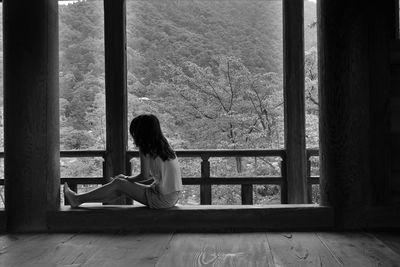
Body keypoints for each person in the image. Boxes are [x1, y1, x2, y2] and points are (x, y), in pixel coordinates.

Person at [64, 114, 183, 209]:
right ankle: (80, 200)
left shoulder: (145, 148)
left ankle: (77, 199)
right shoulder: (164, 147)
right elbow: (152, 175)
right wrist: (126, 179)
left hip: (161, 198)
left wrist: (126, 179)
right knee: (120, 187)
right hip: (172, 197)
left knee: (119, 184)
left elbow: (145, 175)